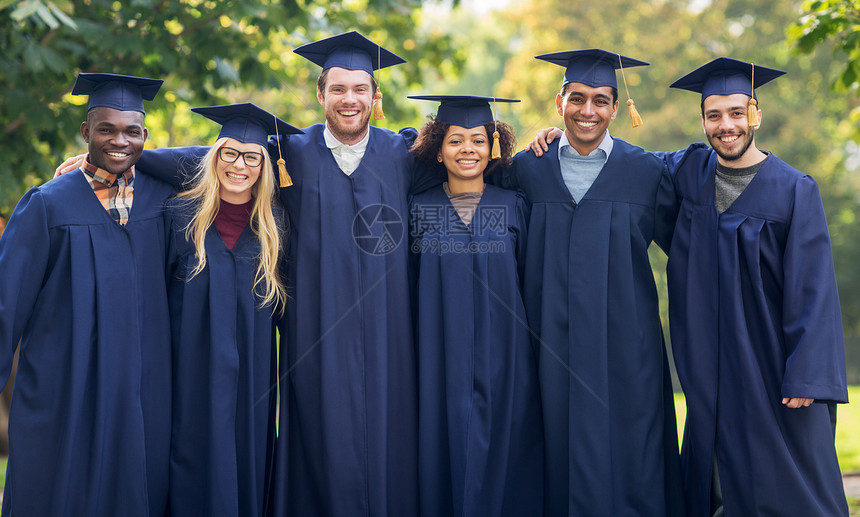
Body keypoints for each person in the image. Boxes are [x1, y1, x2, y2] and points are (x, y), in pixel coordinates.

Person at [102, 32, 433, 516]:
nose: (349, 99)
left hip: (389, 338)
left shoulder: (405, 155)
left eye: (360, 89)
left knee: (389, 441)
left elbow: (470, 158)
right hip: (312, 334)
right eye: (337, 88)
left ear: (375, 97)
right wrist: (124, 156)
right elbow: (210, 158)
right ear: (320, 94)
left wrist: (542, 144)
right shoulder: (290, 153)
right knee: (317, 441)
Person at [662, 58, 849, 516]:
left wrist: (806, 371)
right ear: (703, 120)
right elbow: (621, 167)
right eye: (714, 115)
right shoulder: (688, 172)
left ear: (755, 115)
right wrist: (556, 136)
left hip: (772, 363)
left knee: (791, 479)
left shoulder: (794, 190)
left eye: (736, 113)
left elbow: (815, 289)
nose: (726, 125)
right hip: (710, 364)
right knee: (718, 475)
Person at [503, 49, 685, 515]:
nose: (589, 111)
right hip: (546, 343)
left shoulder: (647, 171)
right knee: (550, 448)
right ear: (559, 102)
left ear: (617, 106)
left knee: (631, 453)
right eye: (578, 98)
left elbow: (690, 248)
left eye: (601, 100)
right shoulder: (526, 169)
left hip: (626, 347)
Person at [0, 73, 175, 516]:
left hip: (145, 386)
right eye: (106, 129)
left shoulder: (166, 201)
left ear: (145, 136)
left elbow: (226, 159)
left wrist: (152, 161)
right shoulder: (47, 204)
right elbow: (6, 303)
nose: (120, 140)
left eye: (131, 131)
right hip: (67, 384)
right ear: (85, 132)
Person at [407, 95, 544, 516]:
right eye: (455, 141)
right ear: (438, 148)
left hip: (508, 360)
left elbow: (531, 283)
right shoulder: (417, 209)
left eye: (478, 140)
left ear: (493, 146)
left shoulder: (516, 206)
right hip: (436, 359)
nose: (468, 149)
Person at [164, 103, 301, 516]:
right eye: (230, 153)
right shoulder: (178, 214)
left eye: (252, 156)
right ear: (215, 155)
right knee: (189, 455)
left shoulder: (276, 226)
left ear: (264, 165)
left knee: (246, 457)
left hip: (253, 381)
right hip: (188, 374)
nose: (239, 165)